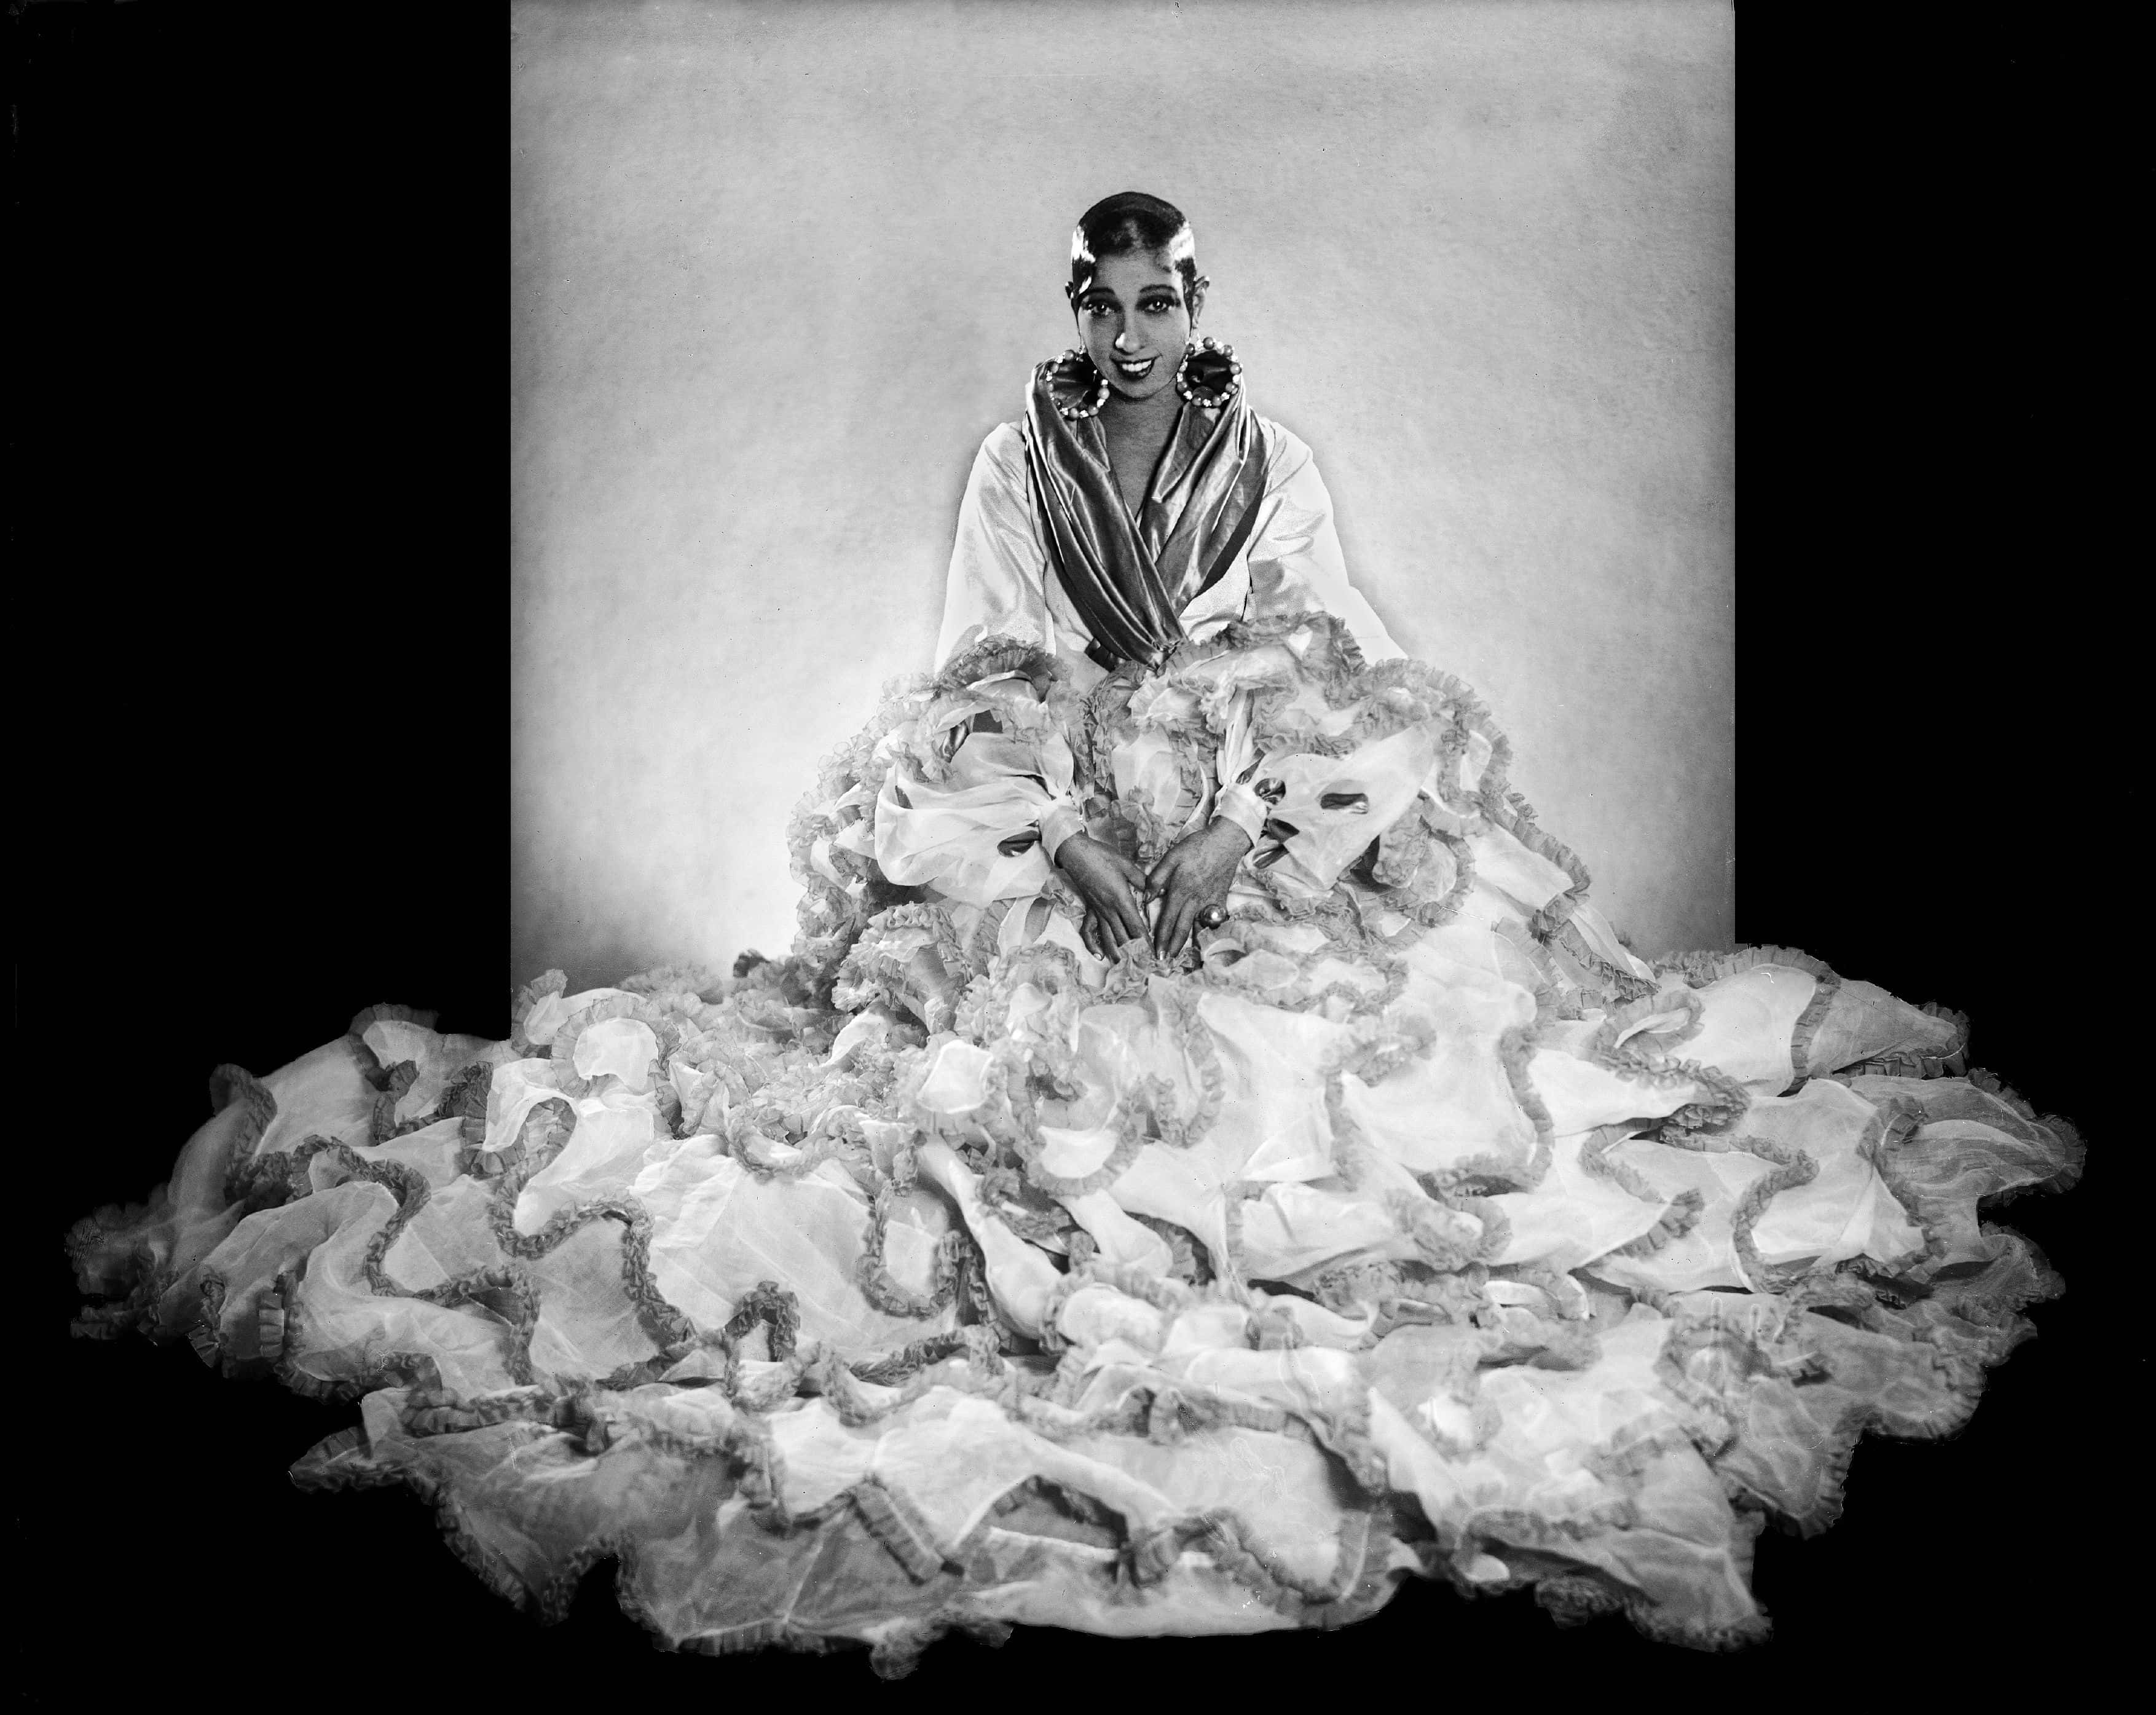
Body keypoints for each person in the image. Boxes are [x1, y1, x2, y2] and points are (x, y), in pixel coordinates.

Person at [65, 192, 2084, 1672]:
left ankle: (1259, 1143)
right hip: (1073, 761)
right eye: (1103, 303)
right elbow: (979, 658)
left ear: (1196, 305)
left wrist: (1245, 823)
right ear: (1077, 307)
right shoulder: (1017, 456)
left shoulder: (1260, 456)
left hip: (1236, 752)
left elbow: (1335, 647)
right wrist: (1066, 835)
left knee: (1374, 958)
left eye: (1157, 302)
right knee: (962, 954)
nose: (1128, 331)